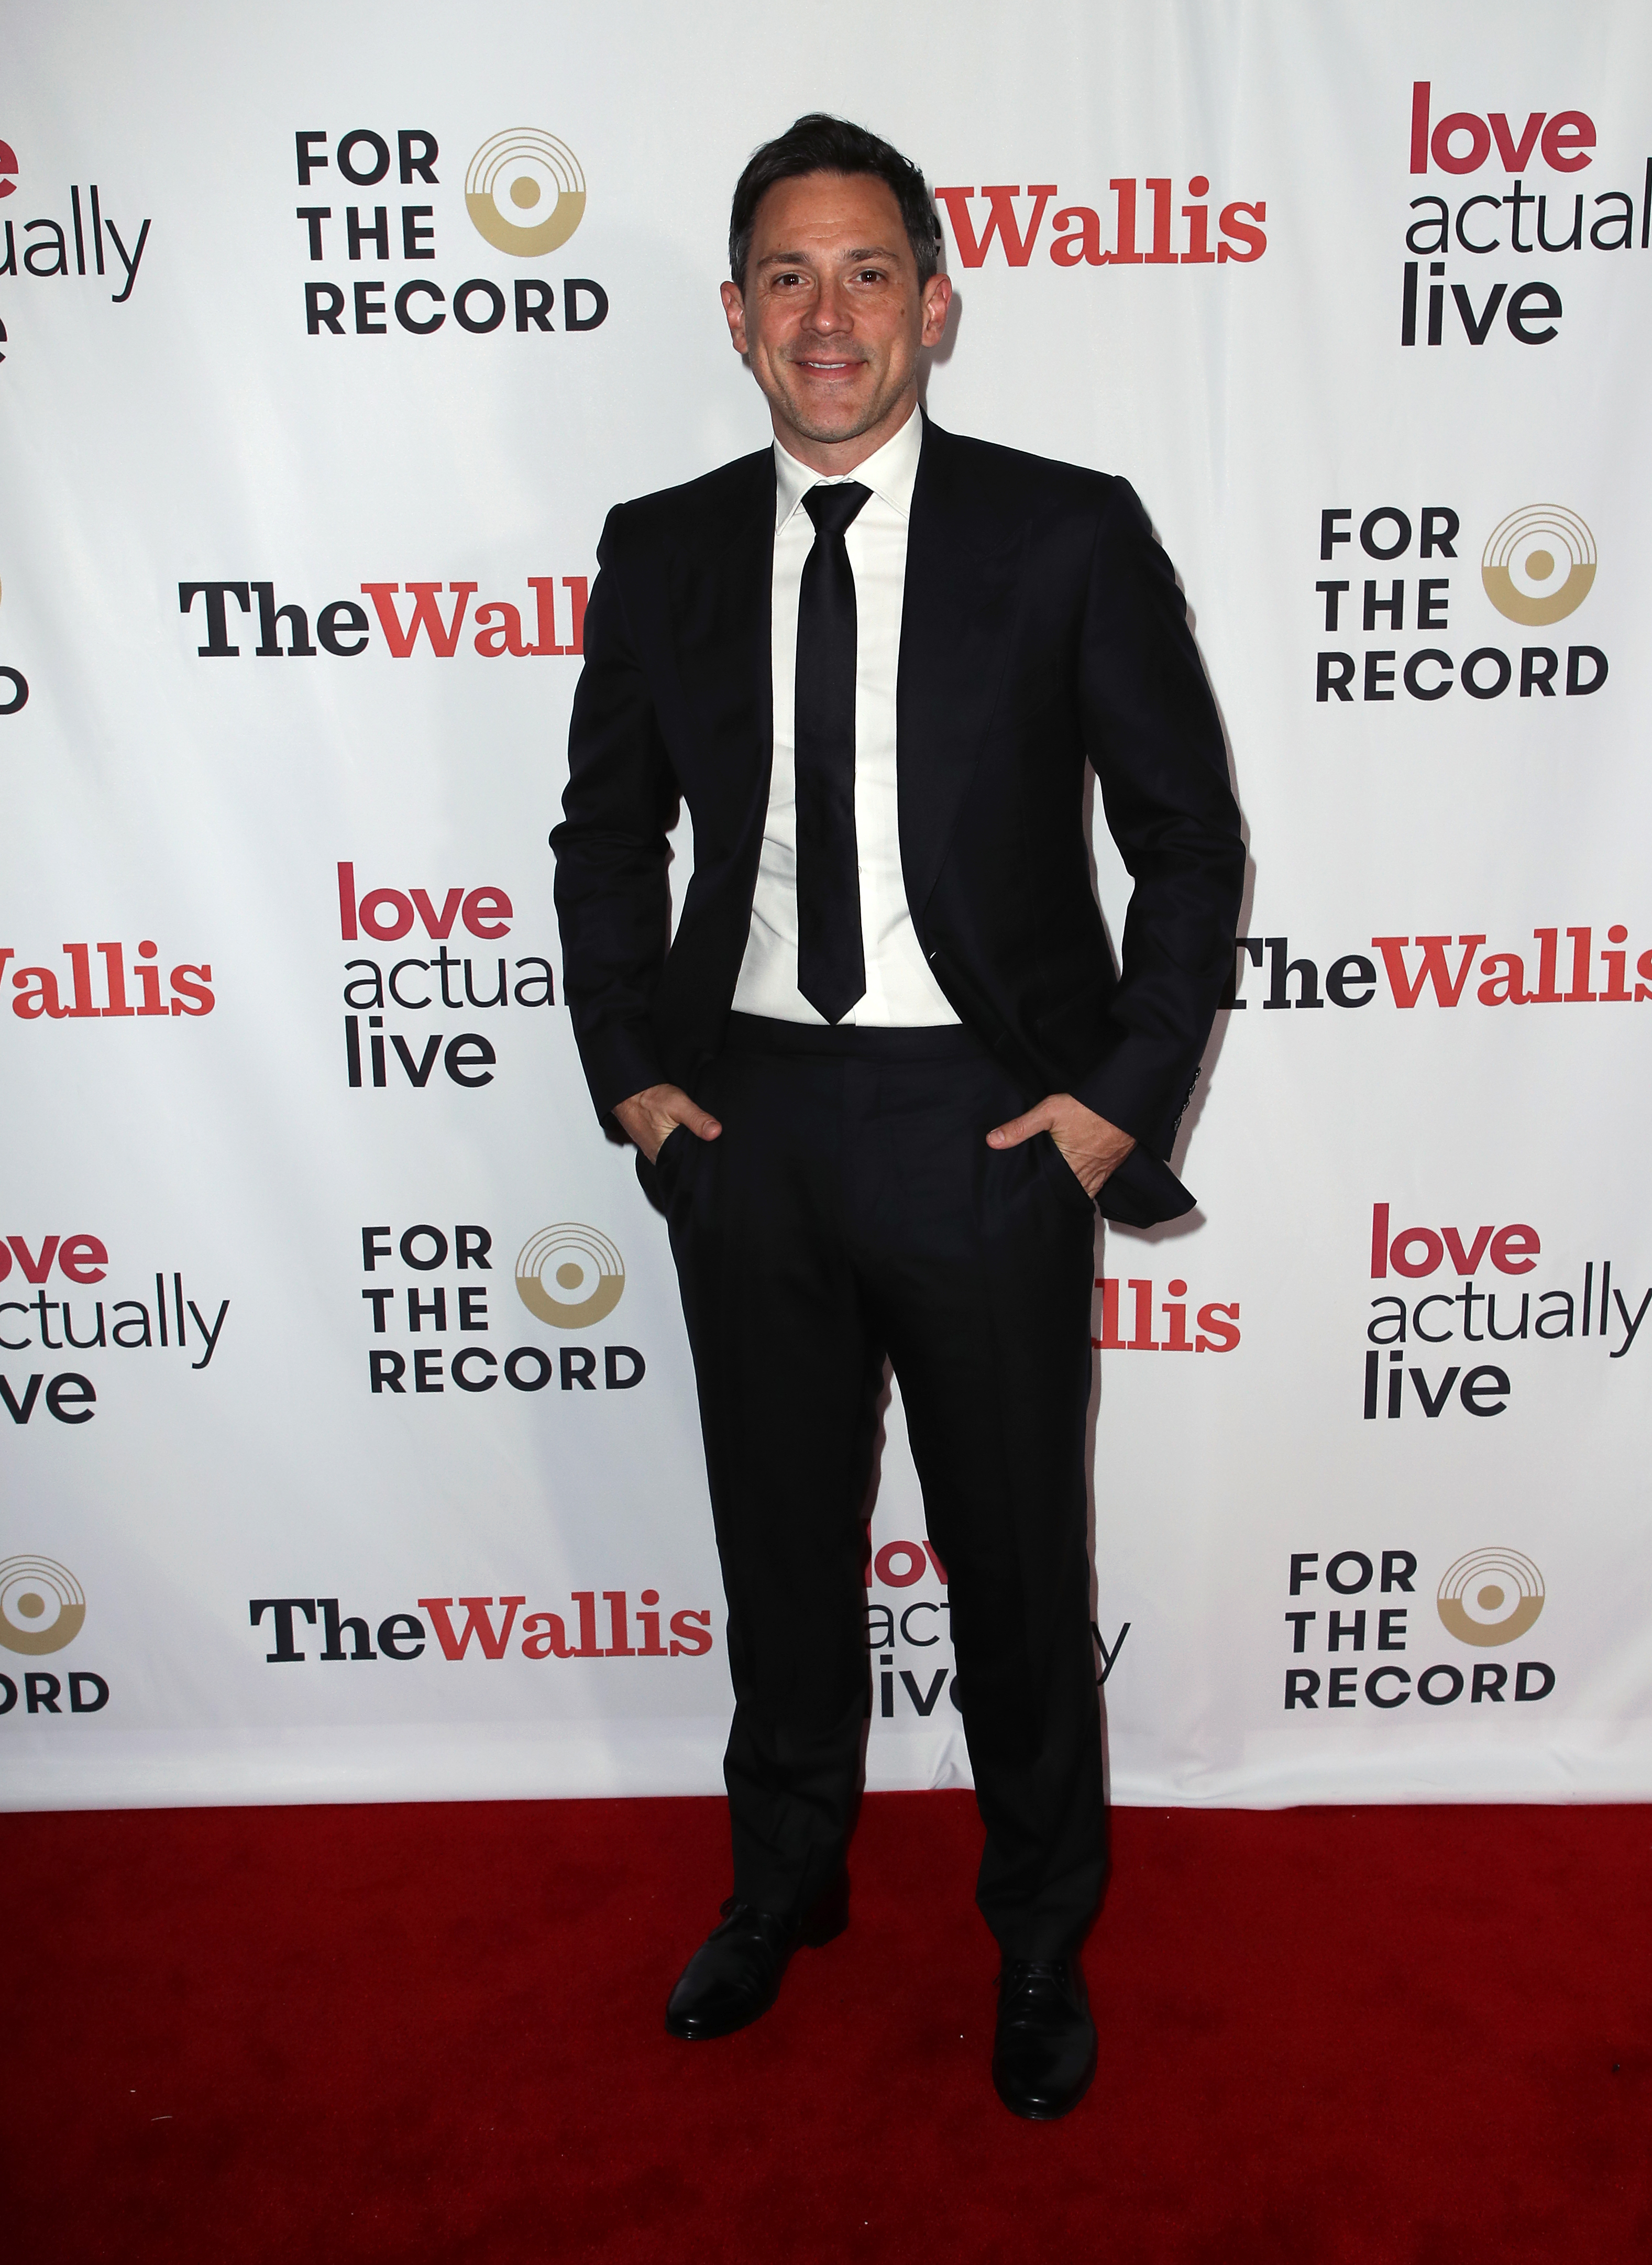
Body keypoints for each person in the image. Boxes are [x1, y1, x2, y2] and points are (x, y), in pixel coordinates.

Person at [553, 113, 1243, 2120]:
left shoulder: (1067, 532)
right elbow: (606, 834)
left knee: (1015, 1567)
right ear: (737, 321)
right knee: (778, 1551)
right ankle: (785, 1885)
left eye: (867, 273)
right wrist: (639, 1080)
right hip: (746, 1120)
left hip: (983, 1124)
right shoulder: (661, 544)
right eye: (787, 277)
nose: (827, 314)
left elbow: (1185, 845)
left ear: (936, 302)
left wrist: (1114, 1100)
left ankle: (1037, 1936)